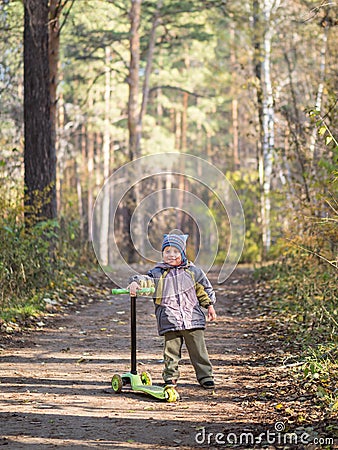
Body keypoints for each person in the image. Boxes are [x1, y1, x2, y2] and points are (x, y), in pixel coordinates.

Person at [128, 232, 217, 389]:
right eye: (167, 251)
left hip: (192, 318)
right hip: (169, 318)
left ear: (182, 253)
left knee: (198, 350)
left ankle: (205, 376)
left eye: (175, 251)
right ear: (162, 254)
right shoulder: (158, 272)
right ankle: (170, 377)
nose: (171, 255)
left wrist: (209, 306)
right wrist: (136, 283)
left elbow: (203, 290)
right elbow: (146, 280)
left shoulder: (193, 272)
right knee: (171, 352)